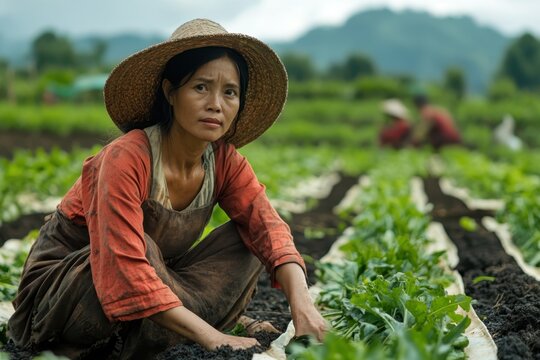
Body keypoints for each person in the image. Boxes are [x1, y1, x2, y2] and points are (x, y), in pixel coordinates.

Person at [7, 19, 327, 359]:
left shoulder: (224, 161)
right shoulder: (126, 157)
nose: (216, 104)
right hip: (68, 294)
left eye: (229, 92)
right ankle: (165, 332)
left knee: (251, 236)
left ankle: (158, 330)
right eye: (201, 87)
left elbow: (269, 229)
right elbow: (123, 265)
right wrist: (210, 337)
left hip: (156, 281)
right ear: (170, 92)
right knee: (140, 249)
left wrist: (303, 307)